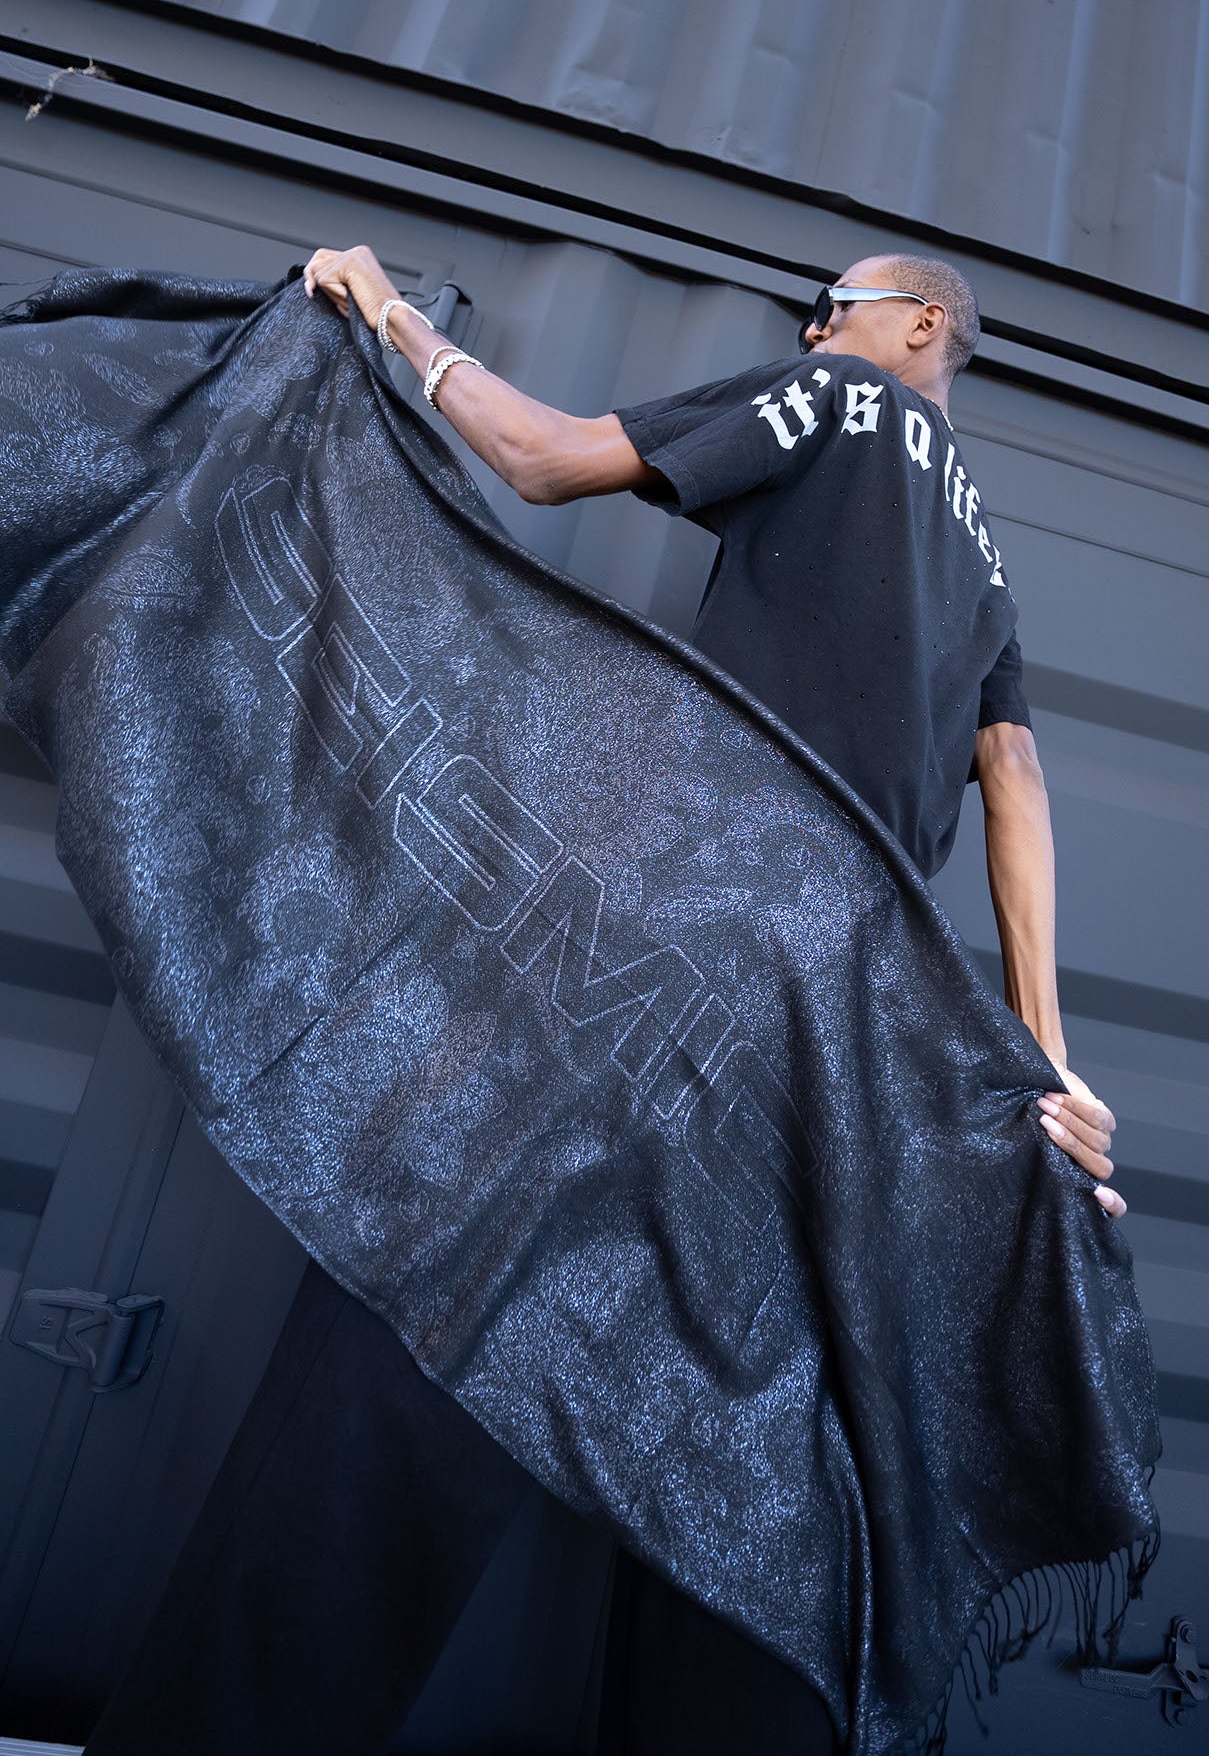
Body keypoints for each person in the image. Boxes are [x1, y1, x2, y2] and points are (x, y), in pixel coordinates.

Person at [88, 243, 1123, 1756]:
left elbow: (545, 460)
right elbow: (1014, 777)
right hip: (836, 1033)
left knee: (449, 1301)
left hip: (672, 941)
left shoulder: (843, 404)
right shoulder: (984, 563)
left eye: (830, 310)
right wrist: (1045, 1052)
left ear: (914, 325)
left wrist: (389, 316)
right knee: (755, 1438)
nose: (811, 331)